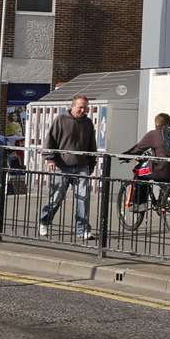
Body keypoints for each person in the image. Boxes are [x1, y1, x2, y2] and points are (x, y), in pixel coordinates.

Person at [38, 95, 99, 240]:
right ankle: (44, 222)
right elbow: (50, 140)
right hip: (62, 165)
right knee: (56, 197)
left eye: (85, 107)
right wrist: (49, 159)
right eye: (80, 107)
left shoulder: (88, 123)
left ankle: (82, 229)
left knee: (83, 199)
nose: (83, 110)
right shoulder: (61, 120)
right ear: (73, 106)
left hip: (82, 166)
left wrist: (92, 163)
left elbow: (92, 145)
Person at [126, 113, 170, 211]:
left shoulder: (154, 134)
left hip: (161, 169)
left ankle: (139, 204)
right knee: (166, 175)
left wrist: (125, 156)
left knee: (139, 172)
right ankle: (165, 199)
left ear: (156, 123)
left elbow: (138, 149)